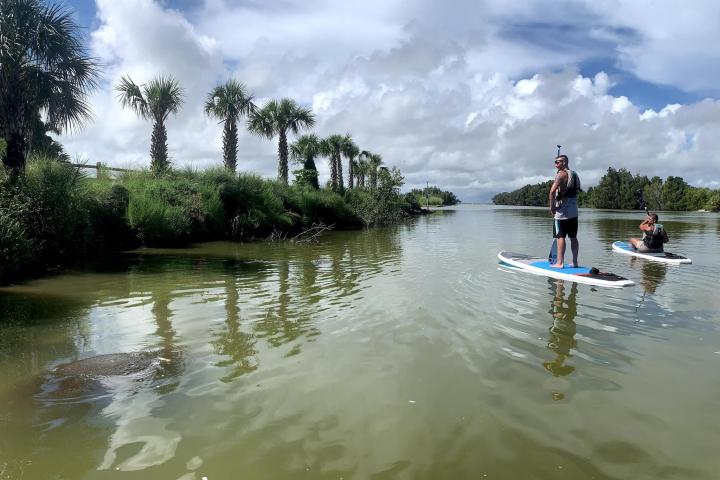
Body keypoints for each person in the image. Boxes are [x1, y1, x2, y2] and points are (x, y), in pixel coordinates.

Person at [548, 154, 581, 268]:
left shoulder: (560, 175)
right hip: (573, 212)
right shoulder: (575, 175)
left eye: (558, 162)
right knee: (573, 237)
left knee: (560, 236)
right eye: (555, 162)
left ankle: (560, 263)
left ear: (564, 162)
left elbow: (552, 192)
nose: (555, 164)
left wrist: (552, 207)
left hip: (562, 212)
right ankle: (575, 262)